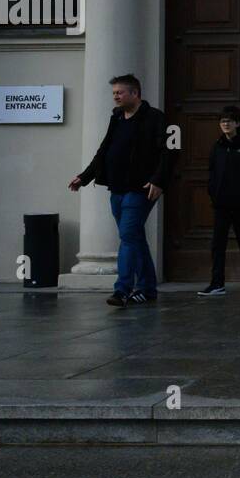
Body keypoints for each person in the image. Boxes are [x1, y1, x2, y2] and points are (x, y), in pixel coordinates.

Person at [68, 74, 175, 306]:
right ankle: (147, 288)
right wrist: (84, 177)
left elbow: (171, 152)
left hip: (141, 189)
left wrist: (159, 181)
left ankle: (122, 289)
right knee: (134, 237)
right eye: (114, 92)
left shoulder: (157, 118)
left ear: (135, 93)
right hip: (117, 189)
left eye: (120, 92)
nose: (115, 96)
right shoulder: (116, 118)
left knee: (128, 235)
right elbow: (104, 149)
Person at [198, 106, 240, 296]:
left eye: (229, 121)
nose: (225, 124)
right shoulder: (217, 146)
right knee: (217, 244)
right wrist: (213, 192)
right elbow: (212, 172)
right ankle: (217, 283)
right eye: (222, 121)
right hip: (221, 203)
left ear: (237, 123)